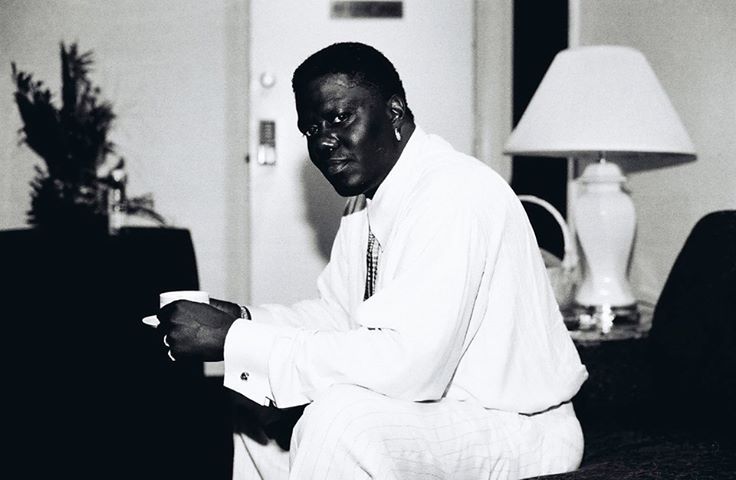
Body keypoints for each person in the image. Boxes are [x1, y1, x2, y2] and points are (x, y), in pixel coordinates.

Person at [158, 42, 588, 479]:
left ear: (395, 112)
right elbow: (339, 316)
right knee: (252, 393)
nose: (323, 140)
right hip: (443, 411)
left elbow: (411, 366)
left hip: (516, 426)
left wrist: (237, 340)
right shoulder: (365, 204)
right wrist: (244, 320)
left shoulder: (454, 193)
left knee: (341, 419)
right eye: (311, 129)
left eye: (339, 118)